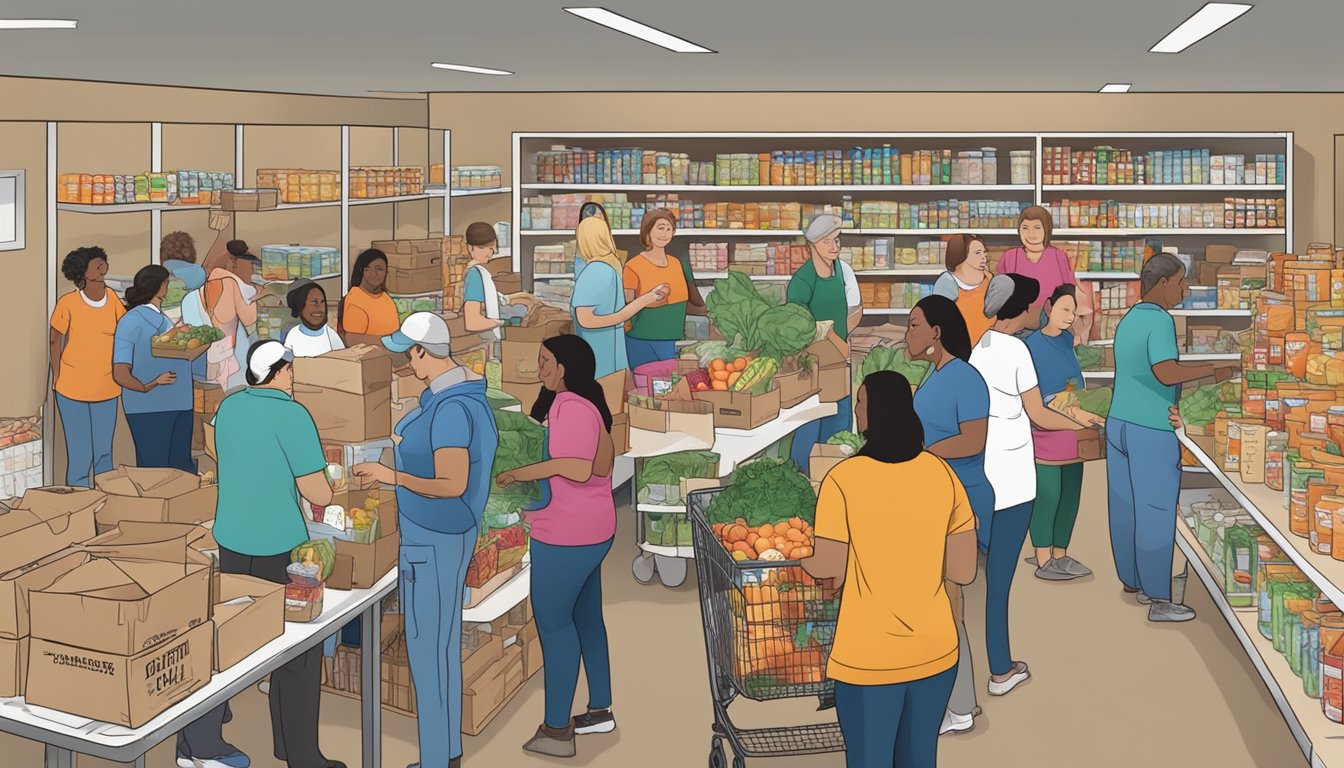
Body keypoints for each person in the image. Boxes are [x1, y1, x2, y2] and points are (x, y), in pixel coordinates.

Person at [180, 339, 345, 768]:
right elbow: (318, 491)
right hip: (280, 546)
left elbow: (213, 442)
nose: (293, 377)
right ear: (279, 372)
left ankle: (198, 742)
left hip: (232, 538)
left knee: (231, 638)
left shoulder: (232, 406)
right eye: (289, 369)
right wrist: (332, 483)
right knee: (298, 653)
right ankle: (299, 754)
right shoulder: (292, 414)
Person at [802, 370, 977, 768]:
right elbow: (964, 569)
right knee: (918, 759)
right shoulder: (942, 474)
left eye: (861, 402)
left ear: (873, 413)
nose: (857, 410)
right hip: (935, 651)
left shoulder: (842, 481)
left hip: (869, 660)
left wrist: (800, 559)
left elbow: (830, 570)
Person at [352, 312, 499, 768]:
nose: (405, 361)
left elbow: (452, 482)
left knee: (426, 648)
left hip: (432, 536)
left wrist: (390, 475)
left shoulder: (452, 410)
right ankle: (446, 751)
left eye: (408, 352)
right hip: (450, 532)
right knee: (441, 644)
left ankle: (436, 759)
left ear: (423, 352)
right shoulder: (459, 398)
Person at [970, 274, 1096, 698]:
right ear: (1022, 308)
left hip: (983, 472)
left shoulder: (980, 347)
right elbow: (1040, 414)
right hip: (1014, 478)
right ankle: (1001, 671)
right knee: (1000, 582)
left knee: (980, 577)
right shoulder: (1019, 350)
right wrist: (1083, 422)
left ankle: (978, 672)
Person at [496, 335, 617, 758]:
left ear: (564, 366)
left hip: (567, 533)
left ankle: (557, 729)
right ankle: (600, 709)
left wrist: (519, 473)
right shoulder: (589, 406)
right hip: (594, 528)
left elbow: (578, 467)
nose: (540, 368)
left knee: (553, 623)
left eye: (545, 361)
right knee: (586, 618)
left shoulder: (571, 406)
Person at [1108, 254, 1237, 623]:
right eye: (1181, 282)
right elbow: (1166, 373)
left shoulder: (1130, 318)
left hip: (1119, 422)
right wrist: (1216, 370)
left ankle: (1132, 580)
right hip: (1151, 426)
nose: (1185, 289)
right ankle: (1159, 598)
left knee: (1125, 505)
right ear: (1163, 284)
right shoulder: (1160, 320)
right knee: (1156, 510)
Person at [905, 294, 994, 735]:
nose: (908, 334)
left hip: (961, 502)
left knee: (947, 605)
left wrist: (925, 454)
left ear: (937, 332)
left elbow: (973, 440)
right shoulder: (934, 374)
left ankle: (958, 706)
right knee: (939, 604)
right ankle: (955, 703)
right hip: (934, 498)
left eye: (914, 325)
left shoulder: (965, 379)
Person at [1024, 285, 1106, 581]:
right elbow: (1037, 395)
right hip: (1047, 430)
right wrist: (1072, 411)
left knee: (1071, 494)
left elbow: (1072, 381)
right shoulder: (1032, 345)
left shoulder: (1067, 340)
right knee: (1048, 495)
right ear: (1048, 307)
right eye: (1064, 309)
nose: (1070, 317)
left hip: (1074, 430)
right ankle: (1044, 557)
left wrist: (1080, 404)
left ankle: (1061, 553)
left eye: (1073, 311)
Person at [787, 213, 862, 472]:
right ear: (813, 245)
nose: (834, 247)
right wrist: (826, 337)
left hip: (838, 358)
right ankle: (803, 474)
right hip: (809, 362)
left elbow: (856, 310)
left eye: (836, 241)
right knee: (809, 419)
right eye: (827, 242)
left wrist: (838, 341)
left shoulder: (844, 271)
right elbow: (795, 323)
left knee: (839, 417)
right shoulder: (802, 280)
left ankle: (835, 472)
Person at [113, 265, 205, 473]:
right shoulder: (131, 322)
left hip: (179, 402)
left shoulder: (164, 320)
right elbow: (120, 371)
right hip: (150, 408)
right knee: (156, 471)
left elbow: (180, 358)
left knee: (179, 468)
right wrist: (148, 386)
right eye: (166, 282)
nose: (169, 286)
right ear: (157, 286)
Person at [49, 246, 125, 487]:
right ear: (82, 273)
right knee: (81, 456)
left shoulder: (112, 297)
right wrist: (57, 374)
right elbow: (54, 339)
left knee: (104, 454)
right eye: (96, 265)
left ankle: (104, 507)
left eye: (103, 263)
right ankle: (79, 510)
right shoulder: (68, 303)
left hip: (107, 388)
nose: (102, 267)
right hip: (73, 390)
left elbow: (124, 331)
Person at [570, 216, 669, 379]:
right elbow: (591, 318)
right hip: (606, 359)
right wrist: (645, 300)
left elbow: (590, 317)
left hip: (601, 359)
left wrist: (646, 298)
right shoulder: (604, 269)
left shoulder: (597, 270)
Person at [622, 208, 705, 369]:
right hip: (642, 340)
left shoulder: (675, 263)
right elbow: (627, 307)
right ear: (648, 230)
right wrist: (650, 301)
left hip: (673, 339)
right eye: (660, 228)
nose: (665, 233)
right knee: (644, 386)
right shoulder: (632, 267)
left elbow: (683, 300)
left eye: (669, 229)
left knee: (671, 387)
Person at [997, 206, 1093, 341]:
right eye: (1025, 228)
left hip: (1052, 327)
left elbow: (1069, 292)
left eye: (1037, 228)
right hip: (1017, 330)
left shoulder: (1058, 256)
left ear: (1046, 230)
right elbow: (999, 295)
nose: (1030, 234)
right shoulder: (1010, 256)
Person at [201, 239, 263, 391]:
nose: (236, 259)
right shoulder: (219, 265)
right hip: (227, 312)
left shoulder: (249, 260)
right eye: (234, 256)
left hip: (241, 303)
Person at [932, 233, 994, 344]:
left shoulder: (989, 279)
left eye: (984, 252)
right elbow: (938, 319)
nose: (983, 257)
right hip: (960, 347)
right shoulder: (948, 282)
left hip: (989, 346)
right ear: (961, 255)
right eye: (977, 253)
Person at [338, 248, 401, 347]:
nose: (374, 274)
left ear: (386, 272)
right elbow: (351, 339)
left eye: (379, 269)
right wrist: (388, 342)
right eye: (368, 269)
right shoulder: (354, 298)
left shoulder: (386, 299)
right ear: (361, 271)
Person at [461, 221, 507, 336]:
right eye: (484, 247)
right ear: (470, 248)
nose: (492, 252)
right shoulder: (475, 275)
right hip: (485, 339)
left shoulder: (480, 272)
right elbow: (473, 322)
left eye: (492, 247)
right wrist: (502, 322)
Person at [282, 279, 344, 358]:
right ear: (300, 306)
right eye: (314, 302)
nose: (319, 307)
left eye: (322, 302)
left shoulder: (331, 335)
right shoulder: (293, 334)